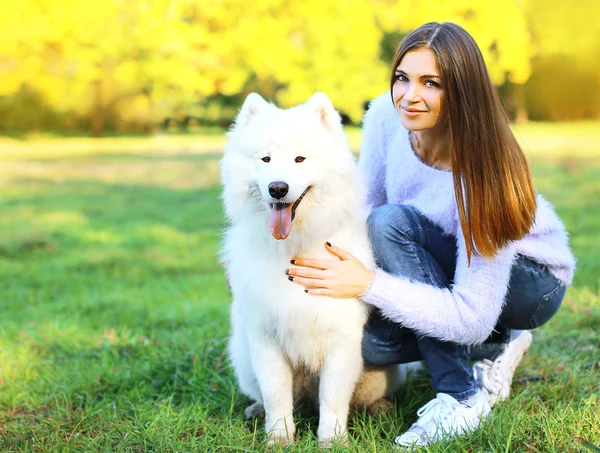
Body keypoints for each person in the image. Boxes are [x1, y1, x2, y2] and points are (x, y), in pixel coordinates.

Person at [286, 22, 575, 448]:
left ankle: (461, 395)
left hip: (529, 283)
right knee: (372, 345)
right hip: (436, 256)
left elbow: (470, 316)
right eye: (403, 77)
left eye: (431, 83)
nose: (409, 95)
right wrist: (294, 259)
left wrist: (369, 284)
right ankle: (496, 347)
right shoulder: (386, 116)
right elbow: (361, 209)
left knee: (391, 224)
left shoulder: (481, 176)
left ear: (461, 91)